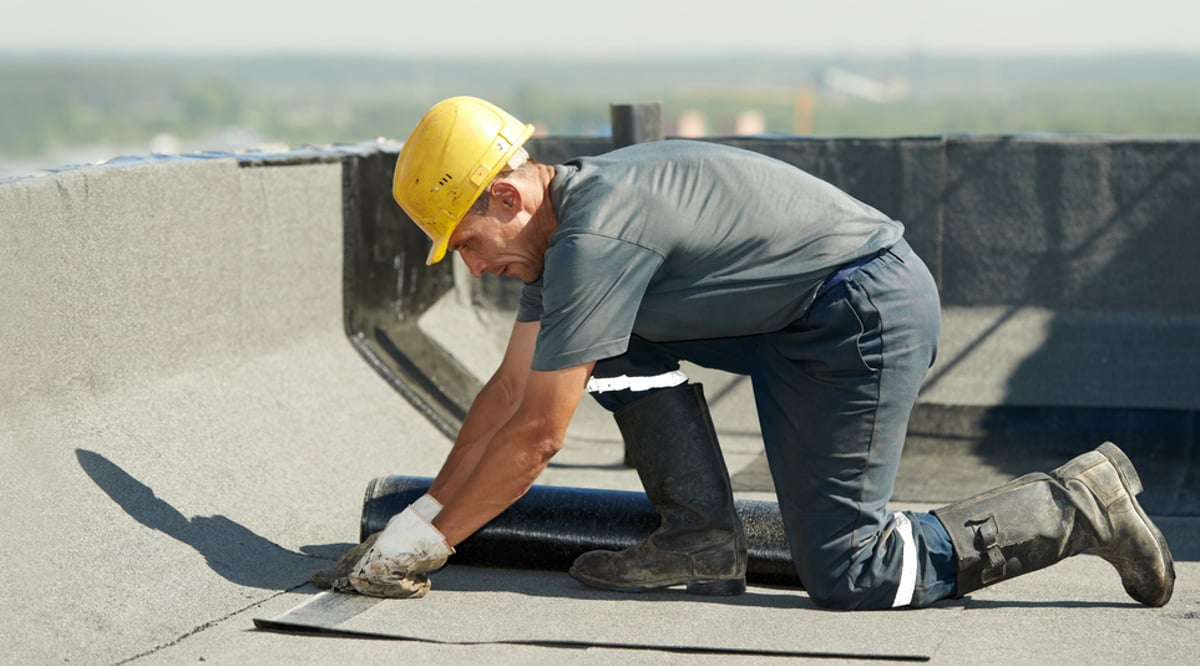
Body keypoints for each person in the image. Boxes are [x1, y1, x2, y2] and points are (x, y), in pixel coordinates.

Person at [340, 96, 1175, 610]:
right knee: (599, 340)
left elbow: (535, 439)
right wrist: (418, 517)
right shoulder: (562, 245)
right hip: (796, 320)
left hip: (860, 317)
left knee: (853, 571)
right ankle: (700, 534)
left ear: (507, 193)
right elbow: (507, 396)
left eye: (469, 239)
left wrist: (428, 545)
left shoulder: (595, 235)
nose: (473, 265)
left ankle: (1072, 507)